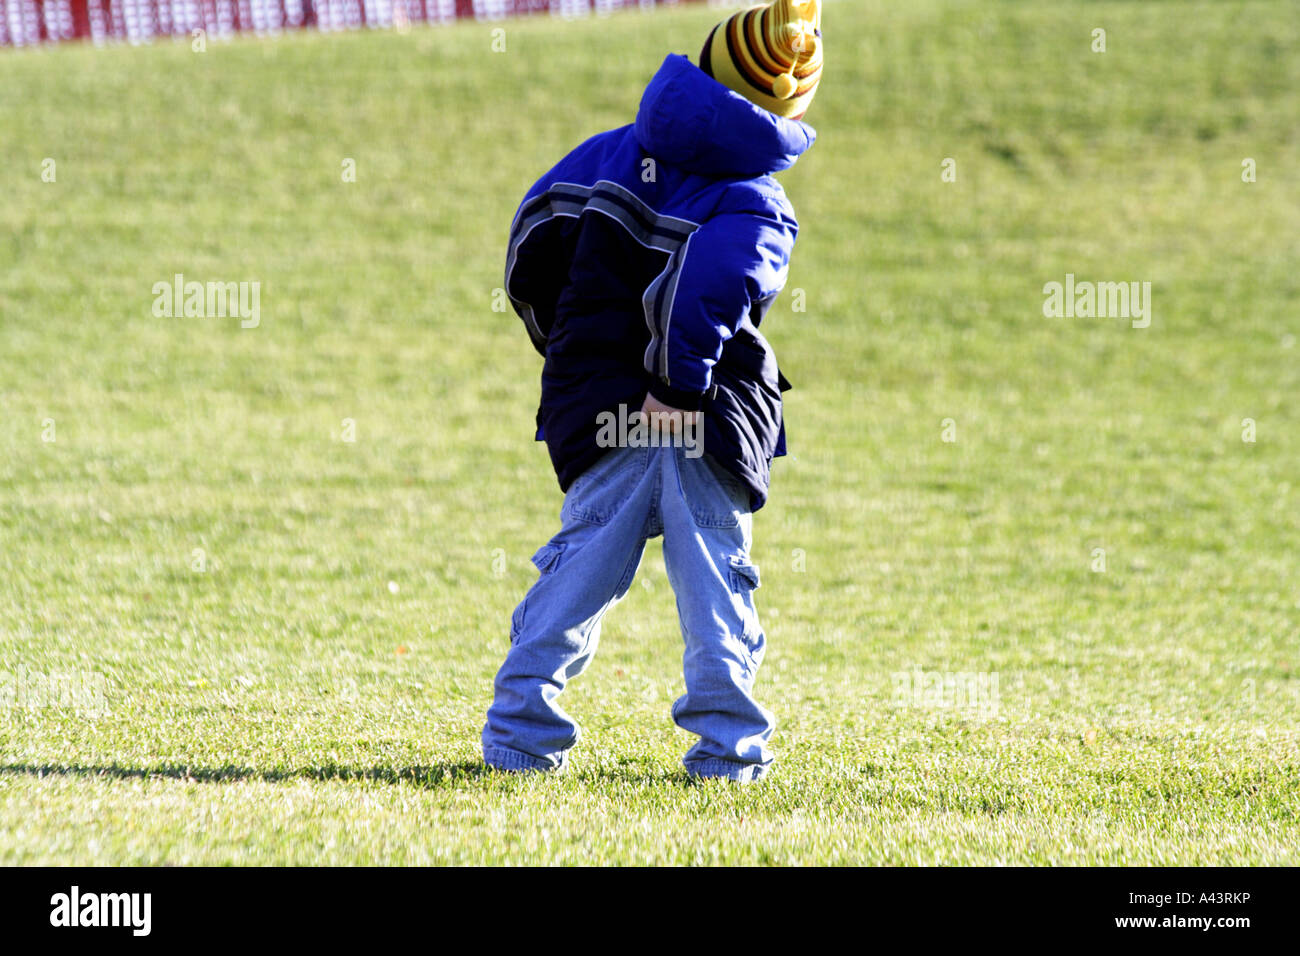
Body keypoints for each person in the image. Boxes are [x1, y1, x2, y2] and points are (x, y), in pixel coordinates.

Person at [482, 0, 824, 783]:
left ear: (703, 64)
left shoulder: (607, 155)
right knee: (715, 584)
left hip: (600, 407)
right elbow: (711, 284)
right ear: (789, 105)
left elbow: (528, 248)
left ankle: (519, 738)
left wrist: (565, 348)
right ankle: (726, 754)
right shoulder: (759, 198)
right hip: (705, 417)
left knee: (580, 569)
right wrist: (675, 384)